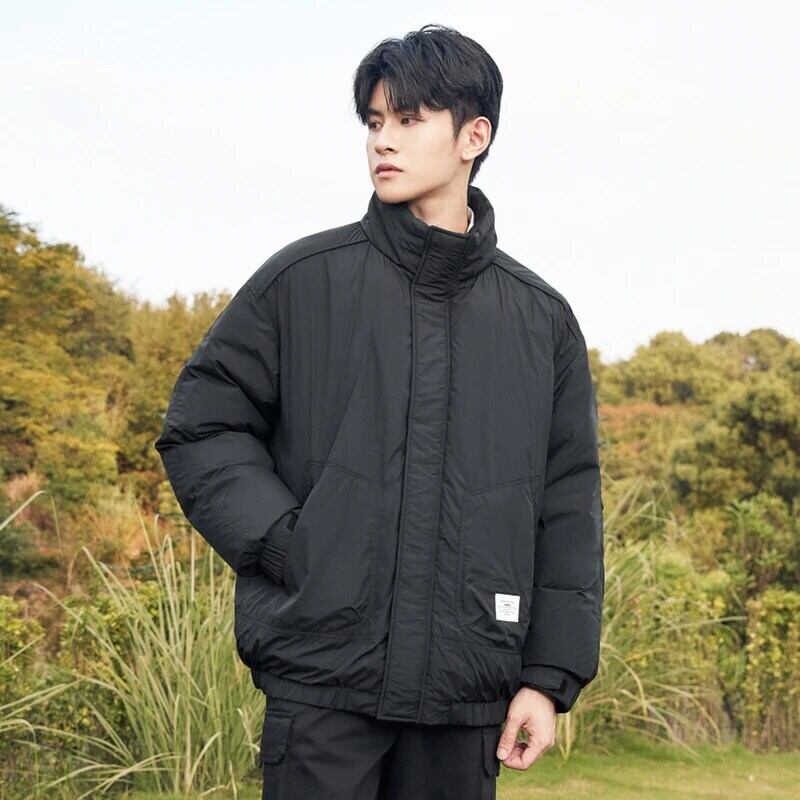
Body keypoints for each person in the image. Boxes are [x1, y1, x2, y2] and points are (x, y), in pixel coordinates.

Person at [154, 23, 604, 800]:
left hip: (466, 698)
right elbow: (202, 426)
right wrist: (293, 543)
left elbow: (568, 508)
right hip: (323, 688)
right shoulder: (303, 281)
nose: (382, 141)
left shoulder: (541, 320)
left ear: (473, 136)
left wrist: (547, 677)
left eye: (409, 119)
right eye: (373, 121)